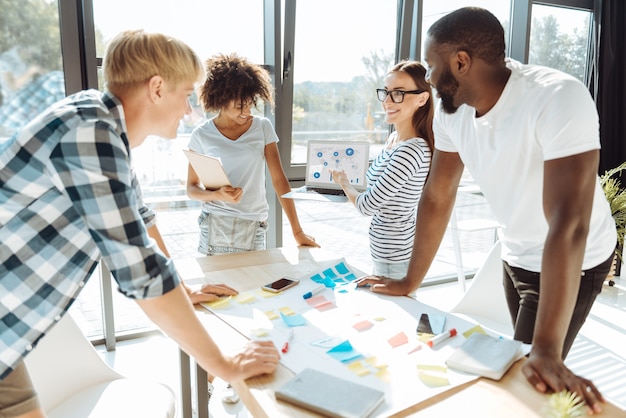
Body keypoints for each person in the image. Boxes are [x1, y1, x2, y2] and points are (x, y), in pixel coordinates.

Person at [0, 30, 280, 418]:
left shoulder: (100, 126)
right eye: (186, 94)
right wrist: (226, 367)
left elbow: (143, 222)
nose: (188, 110)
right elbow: (141, 274)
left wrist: (185, 290)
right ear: (157, 88)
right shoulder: (91, 133)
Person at [356, 7, 616, 414]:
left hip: (576, 258)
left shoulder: (558, 97)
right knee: (519, 362)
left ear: (461, 62)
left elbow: (569, 223)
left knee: (531, 380)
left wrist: (546, 349)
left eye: (432, 65)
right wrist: (409, 281)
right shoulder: (449, 109)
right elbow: (438, 194)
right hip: (514, 253)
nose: (428, 76)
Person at [186, 52, 318, 255]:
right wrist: (216, 194)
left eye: (249, 103)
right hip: (215, 223)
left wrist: (297, 231)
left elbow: (279, 180)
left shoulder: (262, 127)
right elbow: (192, 189)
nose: (246, 111)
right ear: (220, 100)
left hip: (255, 224)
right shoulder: (202, 135)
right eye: (239, 106)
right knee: (218, 286)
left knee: (254, 285)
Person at [331, 60, 432, 279]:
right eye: (386, 92)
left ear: (422, 98)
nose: (387, 101)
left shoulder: (411, 150)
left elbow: (367, 205)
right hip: (384, 252)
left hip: (396, 257)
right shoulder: (394, 140)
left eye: (398, 93)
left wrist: (344, 183)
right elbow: (371, 186)